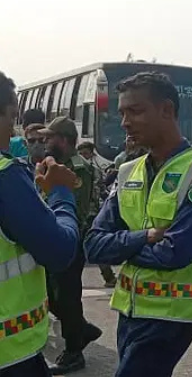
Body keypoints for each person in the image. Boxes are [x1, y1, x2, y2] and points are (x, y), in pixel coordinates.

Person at [83, 72, 192, 377]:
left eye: (136, 111)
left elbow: (176, 253)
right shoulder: (129, 171)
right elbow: (93, 245)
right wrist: (145, 237)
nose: (126, 122)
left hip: (171, 313)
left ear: (167, 110)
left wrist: (122, 245)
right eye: (122, 113)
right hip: (130, 309)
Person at [0, 71, 80, 377]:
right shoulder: (7, 176)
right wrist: (61, 193)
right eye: (11, 117)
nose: (14, 131)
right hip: (11, 355)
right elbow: (60, 250)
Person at [39, 116, 103, 375]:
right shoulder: (57, 165)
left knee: (67, 297)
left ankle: (74, 352)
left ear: (63, 140)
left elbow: (71, 208)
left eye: (49, 137)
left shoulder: (77, 168)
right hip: (54, 237)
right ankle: (82, 329)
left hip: (71, 240)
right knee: (49, 295)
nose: (44, 142)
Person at [77, 141, 117, 287]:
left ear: (91, 154)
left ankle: (109, 277)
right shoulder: (76, 170)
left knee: (93, 245)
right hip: (79, 214)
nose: (83, 157)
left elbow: (101, 190)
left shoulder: (95, 170)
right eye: (80, 154)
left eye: (86, 154)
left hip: (91, 214)